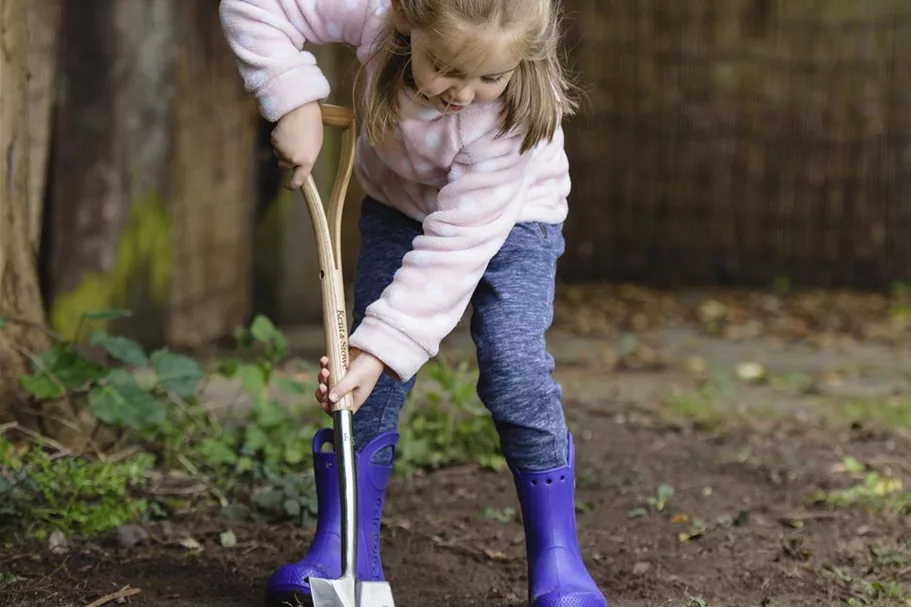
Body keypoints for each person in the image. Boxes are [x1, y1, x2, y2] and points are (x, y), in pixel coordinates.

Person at [218, 0, 608, 605]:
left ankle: (560, 564)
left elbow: (454, 250)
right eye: (447, 67)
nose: (465, 92)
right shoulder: (376, 14)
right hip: (400, 208)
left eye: (489, 77)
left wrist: (379, 348)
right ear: (405, 19)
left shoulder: (510, 121)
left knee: (514, 368)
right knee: (365, 385)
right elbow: (255, 6)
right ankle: (347, 555)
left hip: (510, 220)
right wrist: (291, 100)